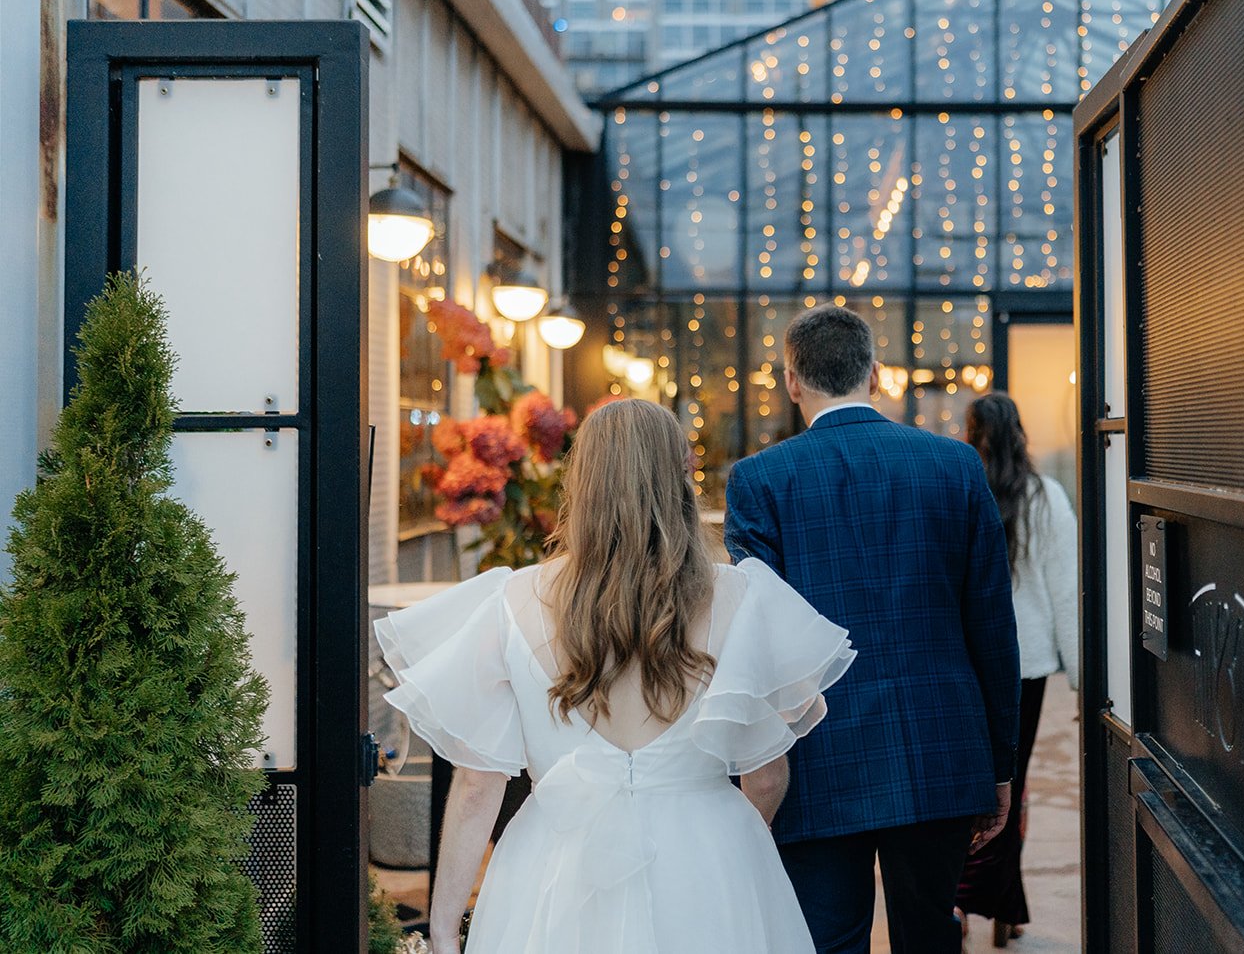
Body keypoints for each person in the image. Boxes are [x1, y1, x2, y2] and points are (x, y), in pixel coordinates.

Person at [377, 399, 856, 954]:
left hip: (555, 862)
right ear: (680, 479)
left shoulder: (510, 600)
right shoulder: (741, 598)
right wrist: (733, 845)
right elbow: (767, 776)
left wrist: (442, 929)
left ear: (581, 482)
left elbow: (479, 784)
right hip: (706, 857)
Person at [723, 306, 1020, 954]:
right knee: (929, 935)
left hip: (816, 754)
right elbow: (993, 625)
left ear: (793, 380)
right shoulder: (955, 466)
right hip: (938, 750)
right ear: (876, 375)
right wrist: (1001, 763)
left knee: (828, 940)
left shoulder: (759, 481)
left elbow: (756, 639)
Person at [955, 392, 1079, 947]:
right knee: (1013, 782)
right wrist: (1081, 679)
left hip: (966, 660)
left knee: (966, 784)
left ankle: (964, 901)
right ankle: (1001, 904)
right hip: (1026, 665)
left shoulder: (959, 489)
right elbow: (1065, 592)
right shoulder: (1044, 497)